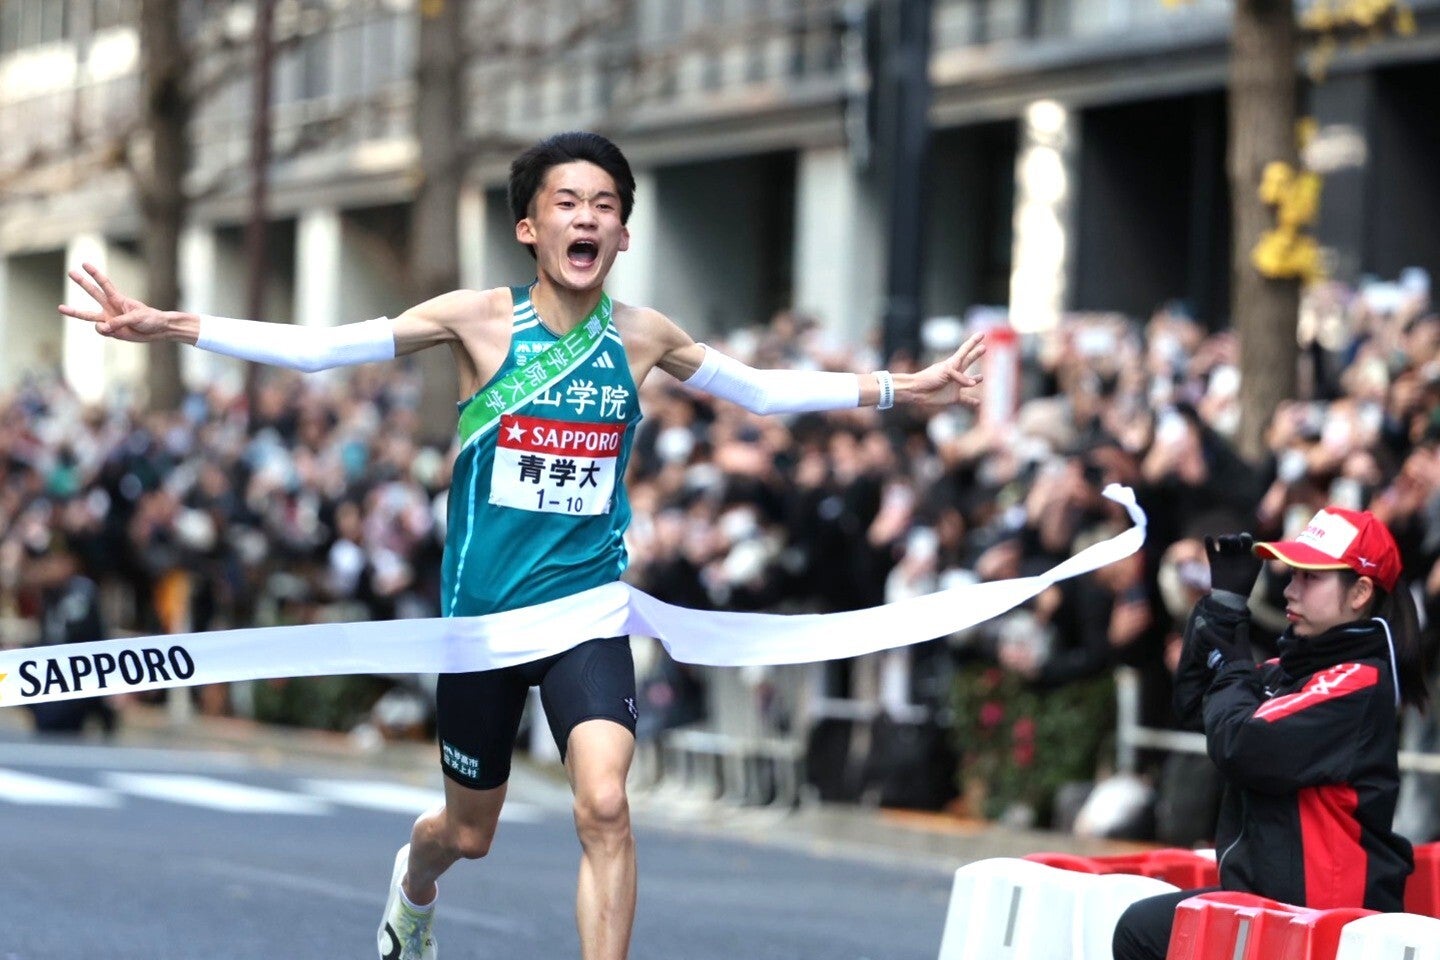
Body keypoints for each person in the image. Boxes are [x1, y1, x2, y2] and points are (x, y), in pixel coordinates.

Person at [59, 131, 986, 960]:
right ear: (529, 229)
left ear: (624, 234)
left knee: (606, 805)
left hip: (588, 610)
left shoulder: (642, 336)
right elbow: (323, 350)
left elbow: (763, 392)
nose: (587, 218)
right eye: (567, 203)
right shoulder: (476, 319)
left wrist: (906, 388)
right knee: (467, 835)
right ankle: (413, 888)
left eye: (605, 206)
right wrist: (171, 325)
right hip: (481, 625)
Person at [1111, 506, 1430, 960]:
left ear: (1360, 592)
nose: (1289, 589)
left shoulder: (1359, 680)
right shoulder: (1292, 670)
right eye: (1292, 574)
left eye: (1310, 577)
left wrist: (1233, 663)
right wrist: (1221, 608)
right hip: (1276, 907)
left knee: (1142, 929)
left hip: (1328, 919)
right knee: (1143, 926)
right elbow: (1195, 706)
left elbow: (1243, 743)